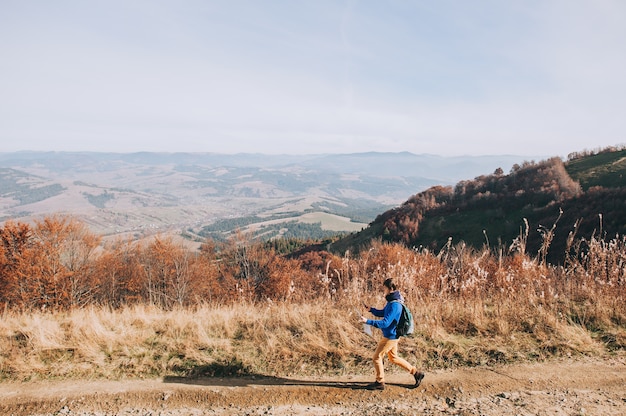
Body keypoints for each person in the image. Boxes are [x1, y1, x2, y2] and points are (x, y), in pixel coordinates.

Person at [361, 278, 425, 390]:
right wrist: (371, 310)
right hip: (392, 335)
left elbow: (385, 323)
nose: (383, 290)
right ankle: (416, 373)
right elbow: (384, 313)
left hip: (390, 337)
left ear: (390, 289)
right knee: (393, 358)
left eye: (384, 288)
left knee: (376, 357)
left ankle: (379, 382)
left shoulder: (395, 305)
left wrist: (368, 321)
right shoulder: (392, 302)